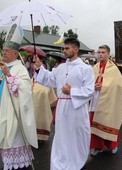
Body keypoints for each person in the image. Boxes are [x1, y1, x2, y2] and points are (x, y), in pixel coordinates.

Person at [33, 37, 95, 170]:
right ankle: (60, 162)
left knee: (77, 136)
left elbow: (90, 90)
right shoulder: (60, 67)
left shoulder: (86, 68)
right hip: (62, 109)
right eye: (64, 48)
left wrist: (71, 91)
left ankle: (76, 161)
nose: (64, 50)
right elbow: (49, 79)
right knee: (62, 136)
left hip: (77, 108)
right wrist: (39, 68)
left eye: (67, 48)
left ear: (76, 49)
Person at [0, 24, 38, 169]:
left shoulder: (19, 68)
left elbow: (25, 89)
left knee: (13, 146)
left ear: (15, 54)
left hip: (14, 114)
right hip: (2, 110)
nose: (3, 53)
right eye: (3, 50)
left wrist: (9, 75)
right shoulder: (2, 65)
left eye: (7, 51)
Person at [89, 45, 122, 156]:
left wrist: (103, 86)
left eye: (103, 52)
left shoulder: (113, 69)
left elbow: (118, 86)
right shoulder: (94, 68)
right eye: (99, 52)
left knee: (109, 122)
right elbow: (87, 82)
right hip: (96, 100)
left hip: (109, 101)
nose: (100, 54)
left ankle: (112, 145)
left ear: (108, 54)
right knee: (94, 124)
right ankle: (97, 146)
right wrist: (93, 86)